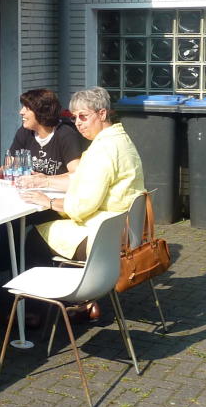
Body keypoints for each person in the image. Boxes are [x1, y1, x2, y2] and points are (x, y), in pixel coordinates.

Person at [18, 86, 144, 317]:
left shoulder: (103, 150)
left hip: (105, 237)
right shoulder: (120, 140)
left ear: (102, 114)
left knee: (35, 238)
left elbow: (83, 206)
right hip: (125, 231)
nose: (78, 123)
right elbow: (81, 178)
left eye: (84, 117)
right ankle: (81, 302)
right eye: (74, 117)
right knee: (55, 232)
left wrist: (48, 202)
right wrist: (45, 180)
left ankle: (39, 311)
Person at [0, 87, 85, 186]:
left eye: (27, 108)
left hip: (57, 192)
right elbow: (10, 165)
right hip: (31, 191)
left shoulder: (66, 134)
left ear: (41, 112)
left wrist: (45, 180)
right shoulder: (24, 132)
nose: (21, 112)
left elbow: (77, 174)